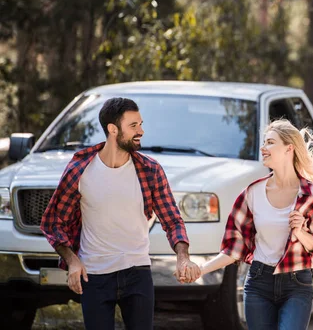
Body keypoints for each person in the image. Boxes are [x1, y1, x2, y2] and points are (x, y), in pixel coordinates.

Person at [40, 97, 201, 330]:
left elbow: (172, 220)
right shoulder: (80, 170)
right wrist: (72, 261)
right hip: (94, 276)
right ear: (112, 129)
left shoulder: (150, 170)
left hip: (137, 273)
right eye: (133, 126)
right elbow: (54, 222)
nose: (141, 131)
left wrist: (182, 256)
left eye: (141, 124)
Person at [199, 119, 313, 330]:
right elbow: (233, 248)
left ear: (288, 148)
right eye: (264, 143)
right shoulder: (251, 194)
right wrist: (201, 270)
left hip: (297, 285)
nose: (263, 149)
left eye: (270, 143)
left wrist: (300, 232)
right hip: (258, 283)